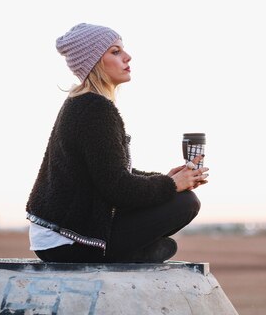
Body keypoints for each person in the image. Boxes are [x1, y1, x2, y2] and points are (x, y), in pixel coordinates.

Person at [26, 23, 208, 263]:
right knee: (185, 203)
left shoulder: (82, 103)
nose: (127, 56)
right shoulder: (94, 109)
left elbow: (113, 174)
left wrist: (169, 178)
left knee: (176, 196)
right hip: (69, 242)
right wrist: (171, 185)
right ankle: (130, 253)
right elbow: (117, 187)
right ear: (94, 62)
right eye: (115, 51)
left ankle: (135, 251)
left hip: (58, 236)